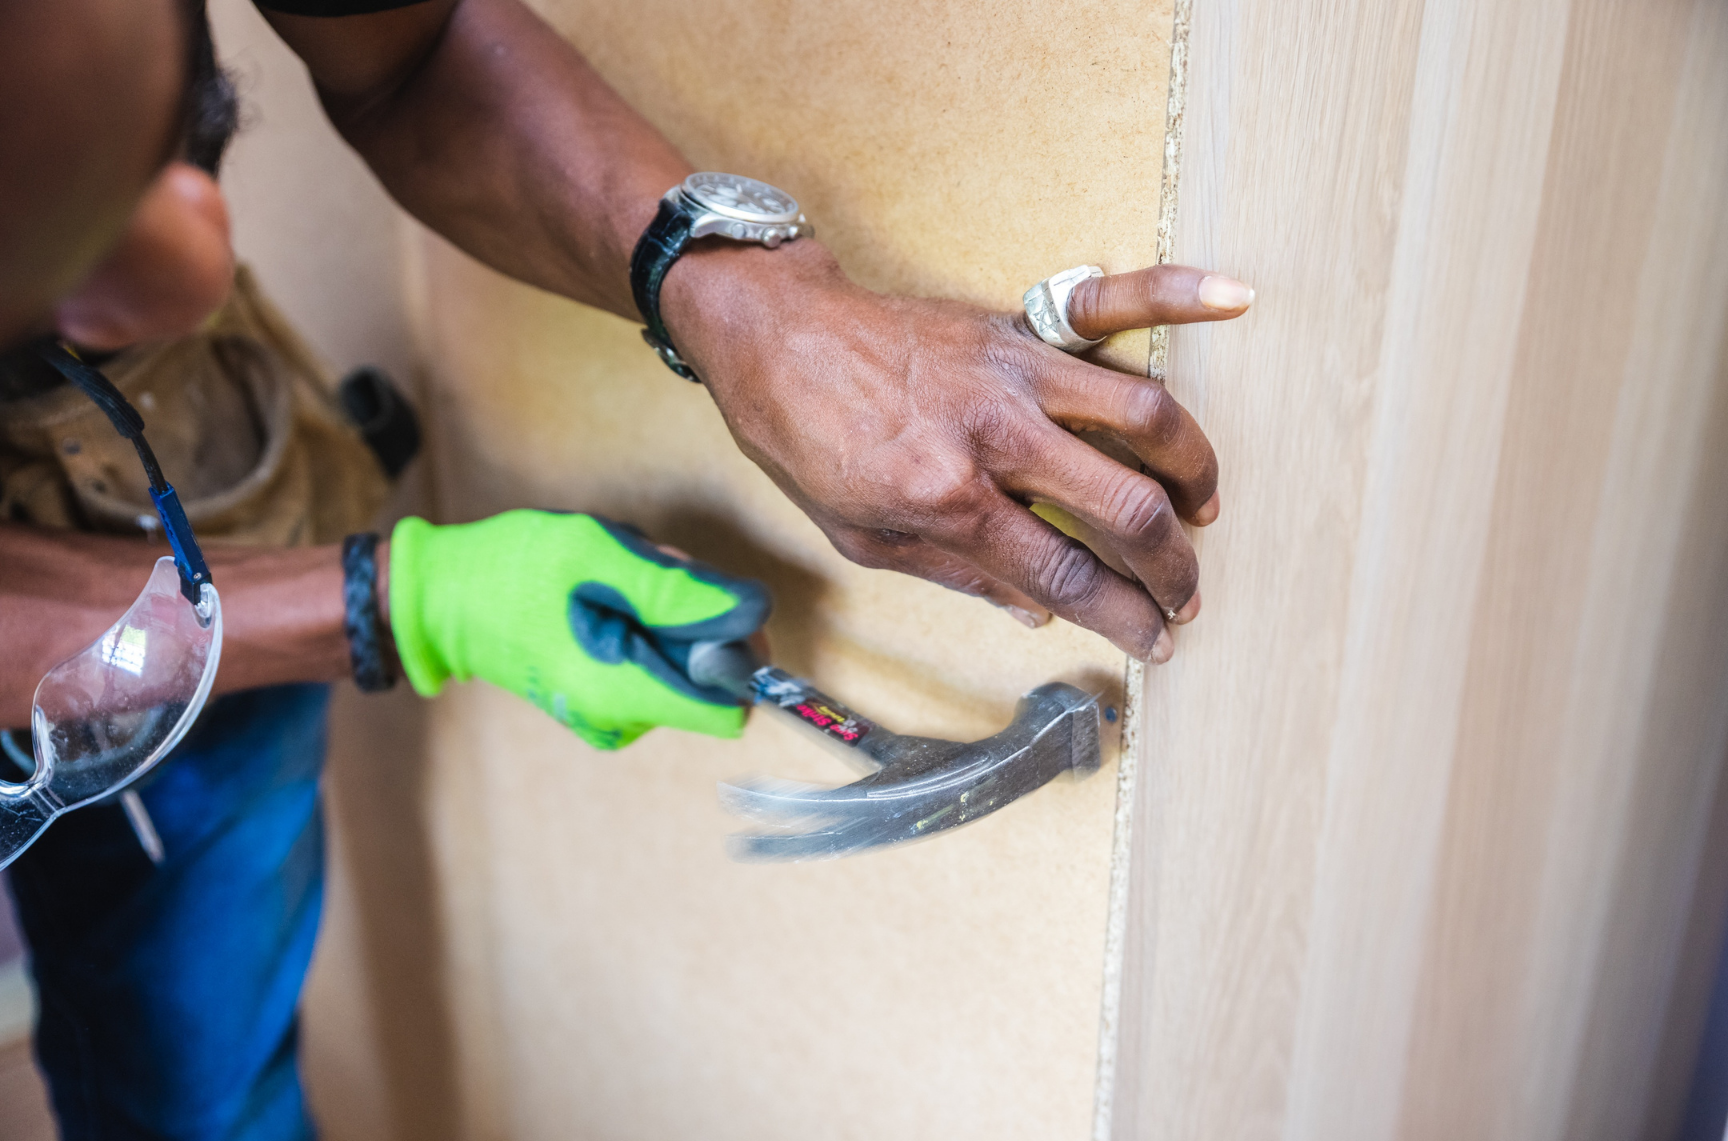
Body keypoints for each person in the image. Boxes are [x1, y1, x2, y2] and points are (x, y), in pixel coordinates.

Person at [0, 0, 1254, 1136]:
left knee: (212, 1026)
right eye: (49, 276)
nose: (202, 270)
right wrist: (410, 603)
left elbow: (418, 54)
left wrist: (748, 306)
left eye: (181, 137)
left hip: (173, 462)